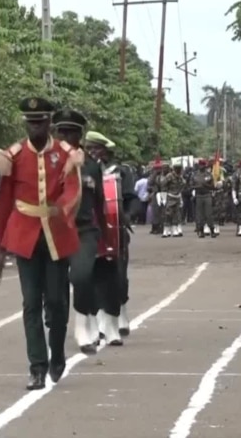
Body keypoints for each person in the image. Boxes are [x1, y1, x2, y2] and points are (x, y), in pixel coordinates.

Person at [0, 97, 82, 390]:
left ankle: (57, 353)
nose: (35, 127)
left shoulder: (67, 153)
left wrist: (63, 207)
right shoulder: (12, 155)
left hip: (56, 232)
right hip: (24, 233)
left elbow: (73, 189)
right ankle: (37, 366)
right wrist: (0, 243)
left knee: (56, 302)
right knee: (31, 303)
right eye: (30, 122)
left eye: (40, 121)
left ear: (49, 122)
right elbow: (4, 200)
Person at [52, 109, 107, 353]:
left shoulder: (92, 166)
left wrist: (106, 235)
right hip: (55, 230)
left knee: (81, 277)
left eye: (71, 132)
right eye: (62, 132)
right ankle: (60, 319)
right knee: (53, 287)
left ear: (80, 135)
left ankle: (82, 322)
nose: (66, 136)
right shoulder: (47, 163)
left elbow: (99, 203)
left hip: (84, 230)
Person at [90, 134, 140, 337]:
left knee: (119, 277)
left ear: (106, 151)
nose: (92, 153)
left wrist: (126, 216)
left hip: (116, 232)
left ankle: (121, 312)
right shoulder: (82, 171)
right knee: (93, 278)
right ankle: (102, 319)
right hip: (91, 232)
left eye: (96, 149)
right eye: (89, 149)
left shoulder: (120, 173)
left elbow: (132, 200)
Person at [191, 159, 216, 238]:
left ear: (205, 166)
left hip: (207, 195)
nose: (201, 166)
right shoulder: (194, 175)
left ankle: (212, 230)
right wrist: (198, 187)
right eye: (200, 165)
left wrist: (205, 185)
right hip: (199, 196)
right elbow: (191, 186)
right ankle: (201, 231)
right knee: (199, 215)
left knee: (209, 214)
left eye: (202, 165)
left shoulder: (209, 175)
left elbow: (213, 187)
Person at [162, 163, 185, 237]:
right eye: (178, 169)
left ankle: (175, 229)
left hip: (177, 197)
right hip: (170, 196)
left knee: (176, 214)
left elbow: (182, 186)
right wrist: (164, 196)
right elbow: (163, 185)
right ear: (175, 169)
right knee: (168, 214)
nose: (179, 170)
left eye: (180, 169)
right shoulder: (170, 176)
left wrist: (180, 196)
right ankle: (166, 230)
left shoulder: (180, 177)